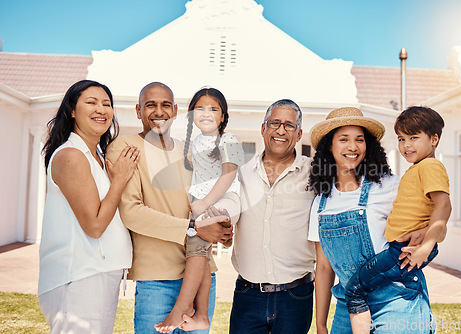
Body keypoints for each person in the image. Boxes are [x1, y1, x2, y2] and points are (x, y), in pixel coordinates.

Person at [106, 82, 232, 334]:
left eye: (165, 105)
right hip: (157, 279)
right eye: (150, 104)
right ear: (138, 110)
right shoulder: (125, 149)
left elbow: (203, 201)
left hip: (201, 275)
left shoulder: (189, 152)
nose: (158, 111)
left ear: (175, 110)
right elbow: (131, 212)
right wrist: (193, 229)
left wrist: (222, 231)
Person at [308, 107, 436, 334]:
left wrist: (425, 231)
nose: (353, 147)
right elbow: (324, 268)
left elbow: (435, 210)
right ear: (330, 145)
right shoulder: (321, 203)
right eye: (344, 139)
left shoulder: (389, 186)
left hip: (396, 300)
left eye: (360, 139)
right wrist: (320, 323)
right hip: (347, 307)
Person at [38, 79, 138, 333]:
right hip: (80, 278)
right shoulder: (71, 156)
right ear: (72, 110)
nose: (101, 109)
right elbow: (94, 225)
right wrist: (120, 180)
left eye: (107, 104)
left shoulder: (99, 157)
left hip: (98, 274)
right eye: (91, 102)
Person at [346, 106, 451, 333]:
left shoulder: (430, 166)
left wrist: (426, 246)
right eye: (402, 139)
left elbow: (444, 205)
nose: (406, 145)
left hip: (405, 249)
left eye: (414, 137)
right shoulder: (418, 168)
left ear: (434, 139)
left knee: (354, 289)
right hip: (403, 246)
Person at [154, 87, 243, 333]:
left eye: (213, 109)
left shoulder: (229, 139)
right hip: (204, 203)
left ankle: (182, 307)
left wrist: (204, 204)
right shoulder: (193, 143)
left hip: (227, 199)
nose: (206, 113)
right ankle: (200, 315)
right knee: (201, 253)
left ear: (223, 116)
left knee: (196, 240)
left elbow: (229, 174)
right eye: (200, 108)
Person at [229, 99, 316, 334]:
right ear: (263, 129)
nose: (281, 130)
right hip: (248, 293)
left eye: (289, 125)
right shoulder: (241, 173)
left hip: (296, 295)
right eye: (275, 123)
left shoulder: (315, 173)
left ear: (298, 135)